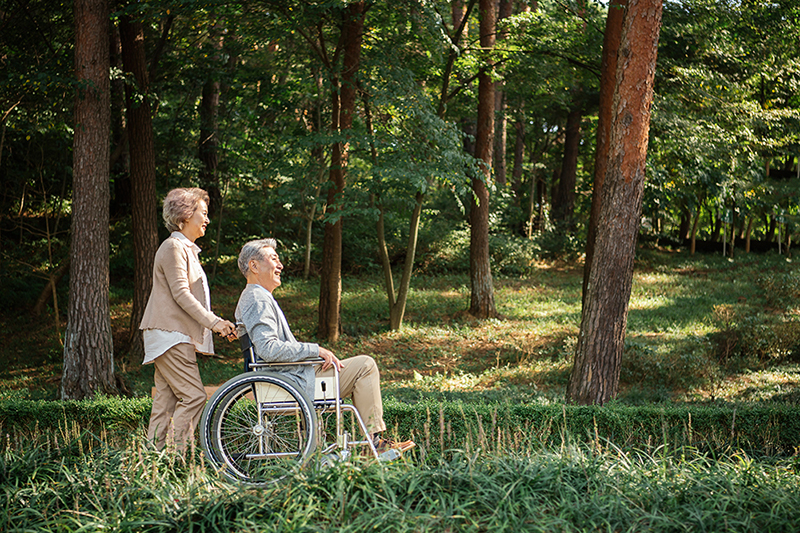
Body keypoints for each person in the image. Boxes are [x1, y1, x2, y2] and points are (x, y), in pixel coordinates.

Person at [234, 238, 414, 455]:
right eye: (274, 259)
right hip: (288, 382)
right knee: (365, 366)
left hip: (289, 377)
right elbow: (268, 349)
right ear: (254, 266)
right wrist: (315, 350)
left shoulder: (258, 297)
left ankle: (368, 445)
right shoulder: (257, 298)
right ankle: (374, 444)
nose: (280, 265)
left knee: (356, 366)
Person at [140, 187, 236, 452]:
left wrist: (216, 323)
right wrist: (214, 322)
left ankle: (152, 464)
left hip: (171, 334)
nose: (207, 219)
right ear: (184, 216)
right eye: (202, 213)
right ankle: (177, 458)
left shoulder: (184, 248)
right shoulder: (173, 247)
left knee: (164, 402)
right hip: (170, 334)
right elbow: (181, 294)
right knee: (194, 396)